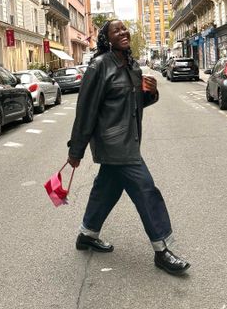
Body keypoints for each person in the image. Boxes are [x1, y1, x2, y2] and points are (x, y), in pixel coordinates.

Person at [67, 20, 190, 276]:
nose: (123, 33)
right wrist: (76, 149)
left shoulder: (132, 66)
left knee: (107, 188)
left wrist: (151, 94)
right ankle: (162, 249)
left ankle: (87, 234)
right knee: (146, 190)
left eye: (125, 29)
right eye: (116, 31)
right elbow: (86, 111)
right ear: (107, 39)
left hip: (129, 140)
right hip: (114, 144)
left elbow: (132, 105)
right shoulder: (99, 66)